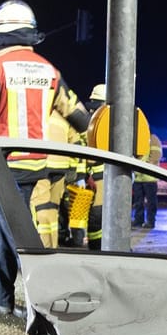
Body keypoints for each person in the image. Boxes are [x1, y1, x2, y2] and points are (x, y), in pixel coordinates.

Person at [0, 0, 90, 313]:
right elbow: (80, 118)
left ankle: (45, 305)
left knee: (16, 234)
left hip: (7, 166)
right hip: (40, 166)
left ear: (1, 31)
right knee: (1, 230)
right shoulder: (48, 70)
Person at [66, 83, 108, 248]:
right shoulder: (93, 124)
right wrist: (82, 176)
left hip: (102, 178)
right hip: (97, 179)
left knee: (97, 216)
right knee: (95, 216)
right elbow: (81, 153)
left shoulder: (96, 122)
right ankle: (96, 247)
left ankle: (98, 246)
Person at [132, 133, 162, 229]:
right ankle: (138, 220)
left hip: (149, 177)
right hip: (138, 176)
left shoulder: (153, 138)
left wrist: (146, 166)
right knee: (138, 201)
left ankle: (150, 221)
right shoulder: (137, 139)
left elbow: (156, 155)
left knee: (151, 201)